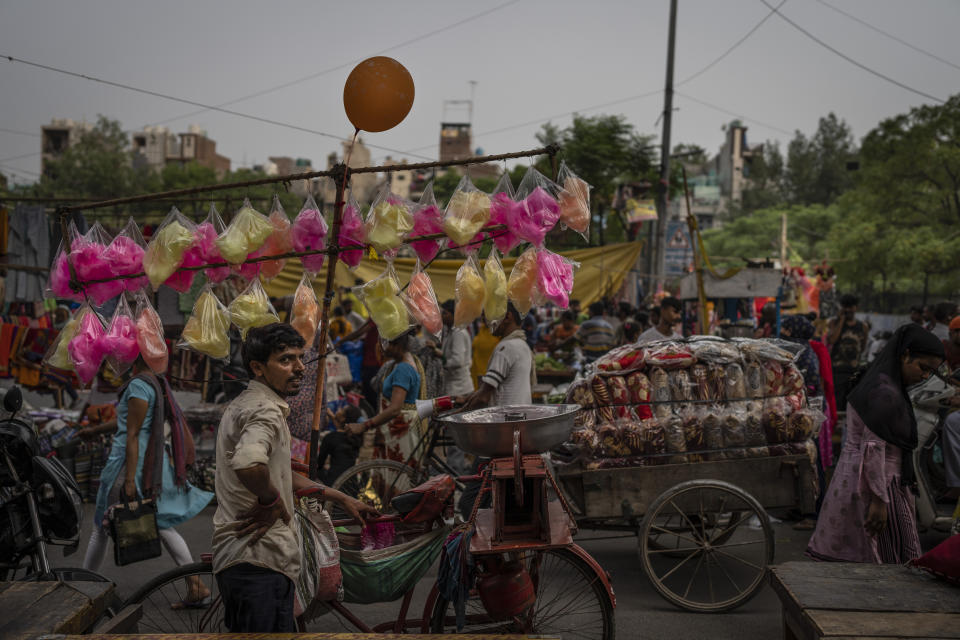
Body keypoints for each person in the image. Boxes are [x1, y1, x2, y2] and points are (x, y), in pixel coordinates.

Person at [213, 323, 376, 633]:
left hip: (251, 562)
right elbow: (249, 464)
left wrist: (342, 498)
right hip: (258, 562)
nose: (300, 368)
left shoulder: (249, 403)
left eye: (300, 358)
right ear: (257, 368)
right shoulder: (265, 410)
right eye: (286, 360)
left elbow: (280, 474)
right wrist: (271, 500)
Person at [80, 356, 213, 607]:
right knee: (160, 522)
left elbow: (131, 434)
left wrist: (129, 480)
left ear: (133, 357)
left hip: (129, 465)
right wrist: (94, 431)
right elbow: (131, 423)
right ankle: (196, 584)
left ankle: (83, 588)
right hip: (147, 465)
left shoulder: (138, 385)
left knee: (100, 526)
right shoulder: (154, 382)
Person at [806, 325, 945, 564]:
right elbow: (874, 448)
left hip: (853, 477)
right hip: (877, 482)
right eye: (923, 368)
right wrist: (880, 501)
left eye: (930, 372)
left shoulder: (874, 379)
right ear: (905, 354)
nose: (925, 376)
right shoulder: (885, 393)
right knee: (887, 556)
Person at [347, 331, 427, 463]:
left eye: (385, 343)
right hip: (398, 430)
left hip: (401, 432)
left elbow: (395, 408)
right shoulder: (402, 362)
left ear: (397, 345)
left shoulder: (403, 368)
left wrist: (364, 426)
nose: (381, 348)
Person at [459, 302, 536, 411]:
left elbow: (483, 398)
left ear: (507, 317)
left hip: (505, 420)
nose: (485, 319)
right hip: (519, 418)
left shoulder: (505, 348)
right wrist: (468, 398)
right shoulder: (522, 344)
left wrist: (457, 414)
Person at [826, 294, 870, 411]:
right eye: (845, 307)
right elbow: (832, 340)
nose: (848, 310)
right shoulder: (834, 323)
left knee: (851, 406)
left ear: (856, 308)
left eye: (851, 307)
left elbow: (863, 347)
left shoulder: (863, 326)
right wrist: (841, 321)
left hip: (853, 371)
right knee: (837, 405)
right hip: (837, 371)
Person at [317, 405, 362, 485]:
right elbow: (341, 429)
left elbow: (319, 464)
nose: (338, 408)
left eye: (341, 409)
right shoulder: (356, 437)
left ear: (343, 418)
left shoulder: (330, 438)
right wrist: (333, 417)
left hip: (333, 483)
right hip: (351, 485)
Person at [440, 300, 474, 397]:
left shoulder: (458, 332)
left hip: (459, 389)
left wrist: (442, 362)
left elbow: (458, 361)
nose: (442, 316)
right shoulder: (450, 331)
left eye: (445, 313)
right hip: (453, 386)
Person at [471, 319, 500, 388]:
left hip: (491, 376)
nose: (482, 317)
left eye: (485, 314)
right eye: (482, 315)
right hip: (477, 372)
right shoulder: (482, 329)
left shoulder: (499, 331)